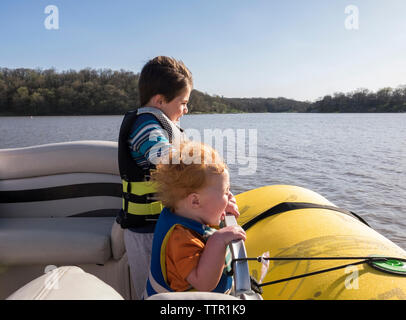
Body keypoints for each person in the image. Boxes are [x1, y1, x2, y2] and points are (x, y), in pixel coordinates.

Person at [116, 56, 193, 299]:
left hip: (160, 227)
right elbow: (165, 156)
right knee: (153, 294)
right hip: (146, 233)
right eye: (183, 102)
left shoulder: (159, 124)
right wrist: (205, 168)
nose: (186, 109)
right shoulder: (146, 126)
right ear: (160, 100)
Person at [143, 141, 246, 298]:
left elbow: (206, 214)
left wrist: (219, 206)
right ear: (195, 201)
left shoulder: (182, 211)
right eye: (225, 192)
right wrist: (217, 240)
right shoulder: (180, 238)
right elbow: (204, 284)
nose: (230, 196)